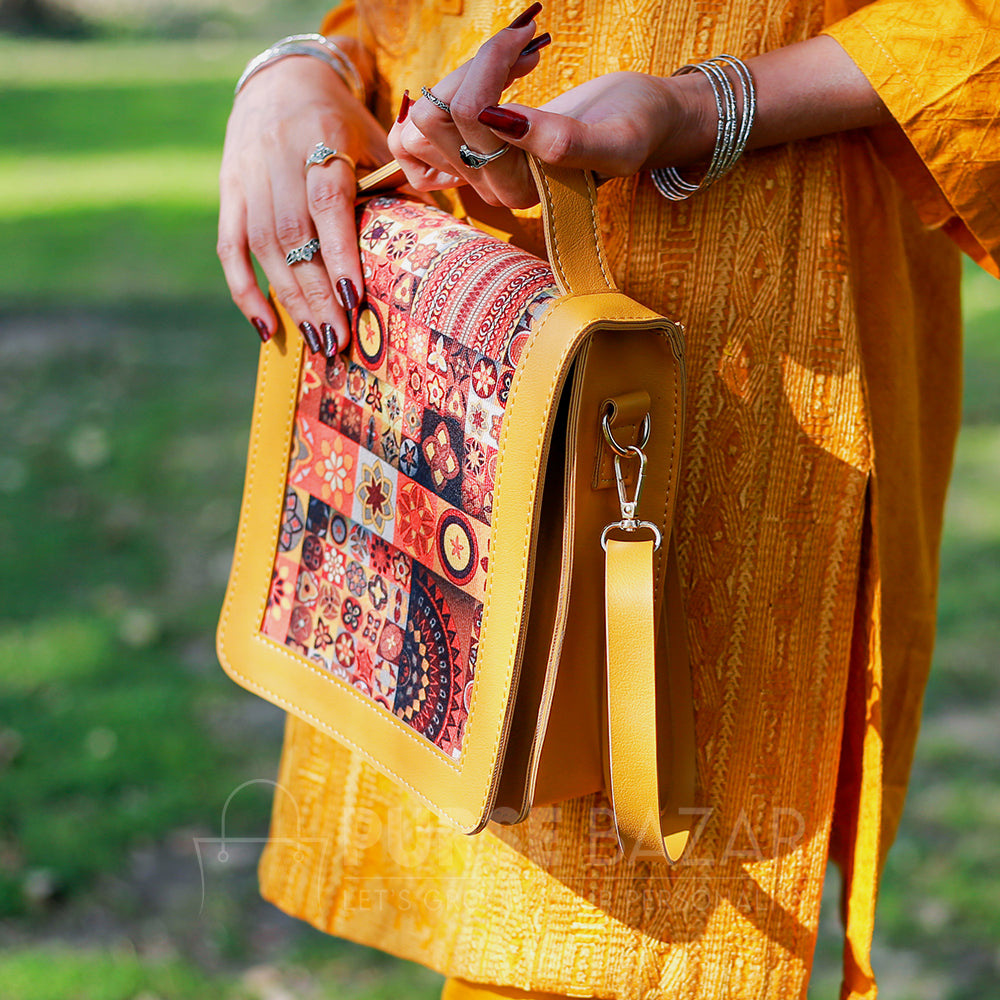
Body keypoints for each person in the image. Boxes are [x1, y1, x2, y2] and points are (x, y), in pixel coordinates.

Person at [217, 2, 999, 997]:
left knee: (655, 929)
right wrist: (300, 72)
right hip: (450, 373)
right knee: (499, 867)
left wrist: (702, 105)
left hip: (732, 374)